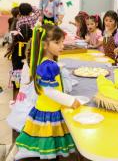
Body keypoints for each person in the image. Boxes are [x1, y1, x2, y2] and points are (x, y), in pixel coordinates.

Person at [15, 24, 80, 160]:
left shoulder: (46, 62)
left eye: (62, 42)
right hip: (48, 113)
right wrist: (70, 100)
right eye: (57, 42)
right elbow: (49, 92)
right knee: (47, 145)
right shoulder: (47, 66)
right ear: (44, 45)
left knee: (50, 144)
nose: (62, 46)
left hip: (49, 109)